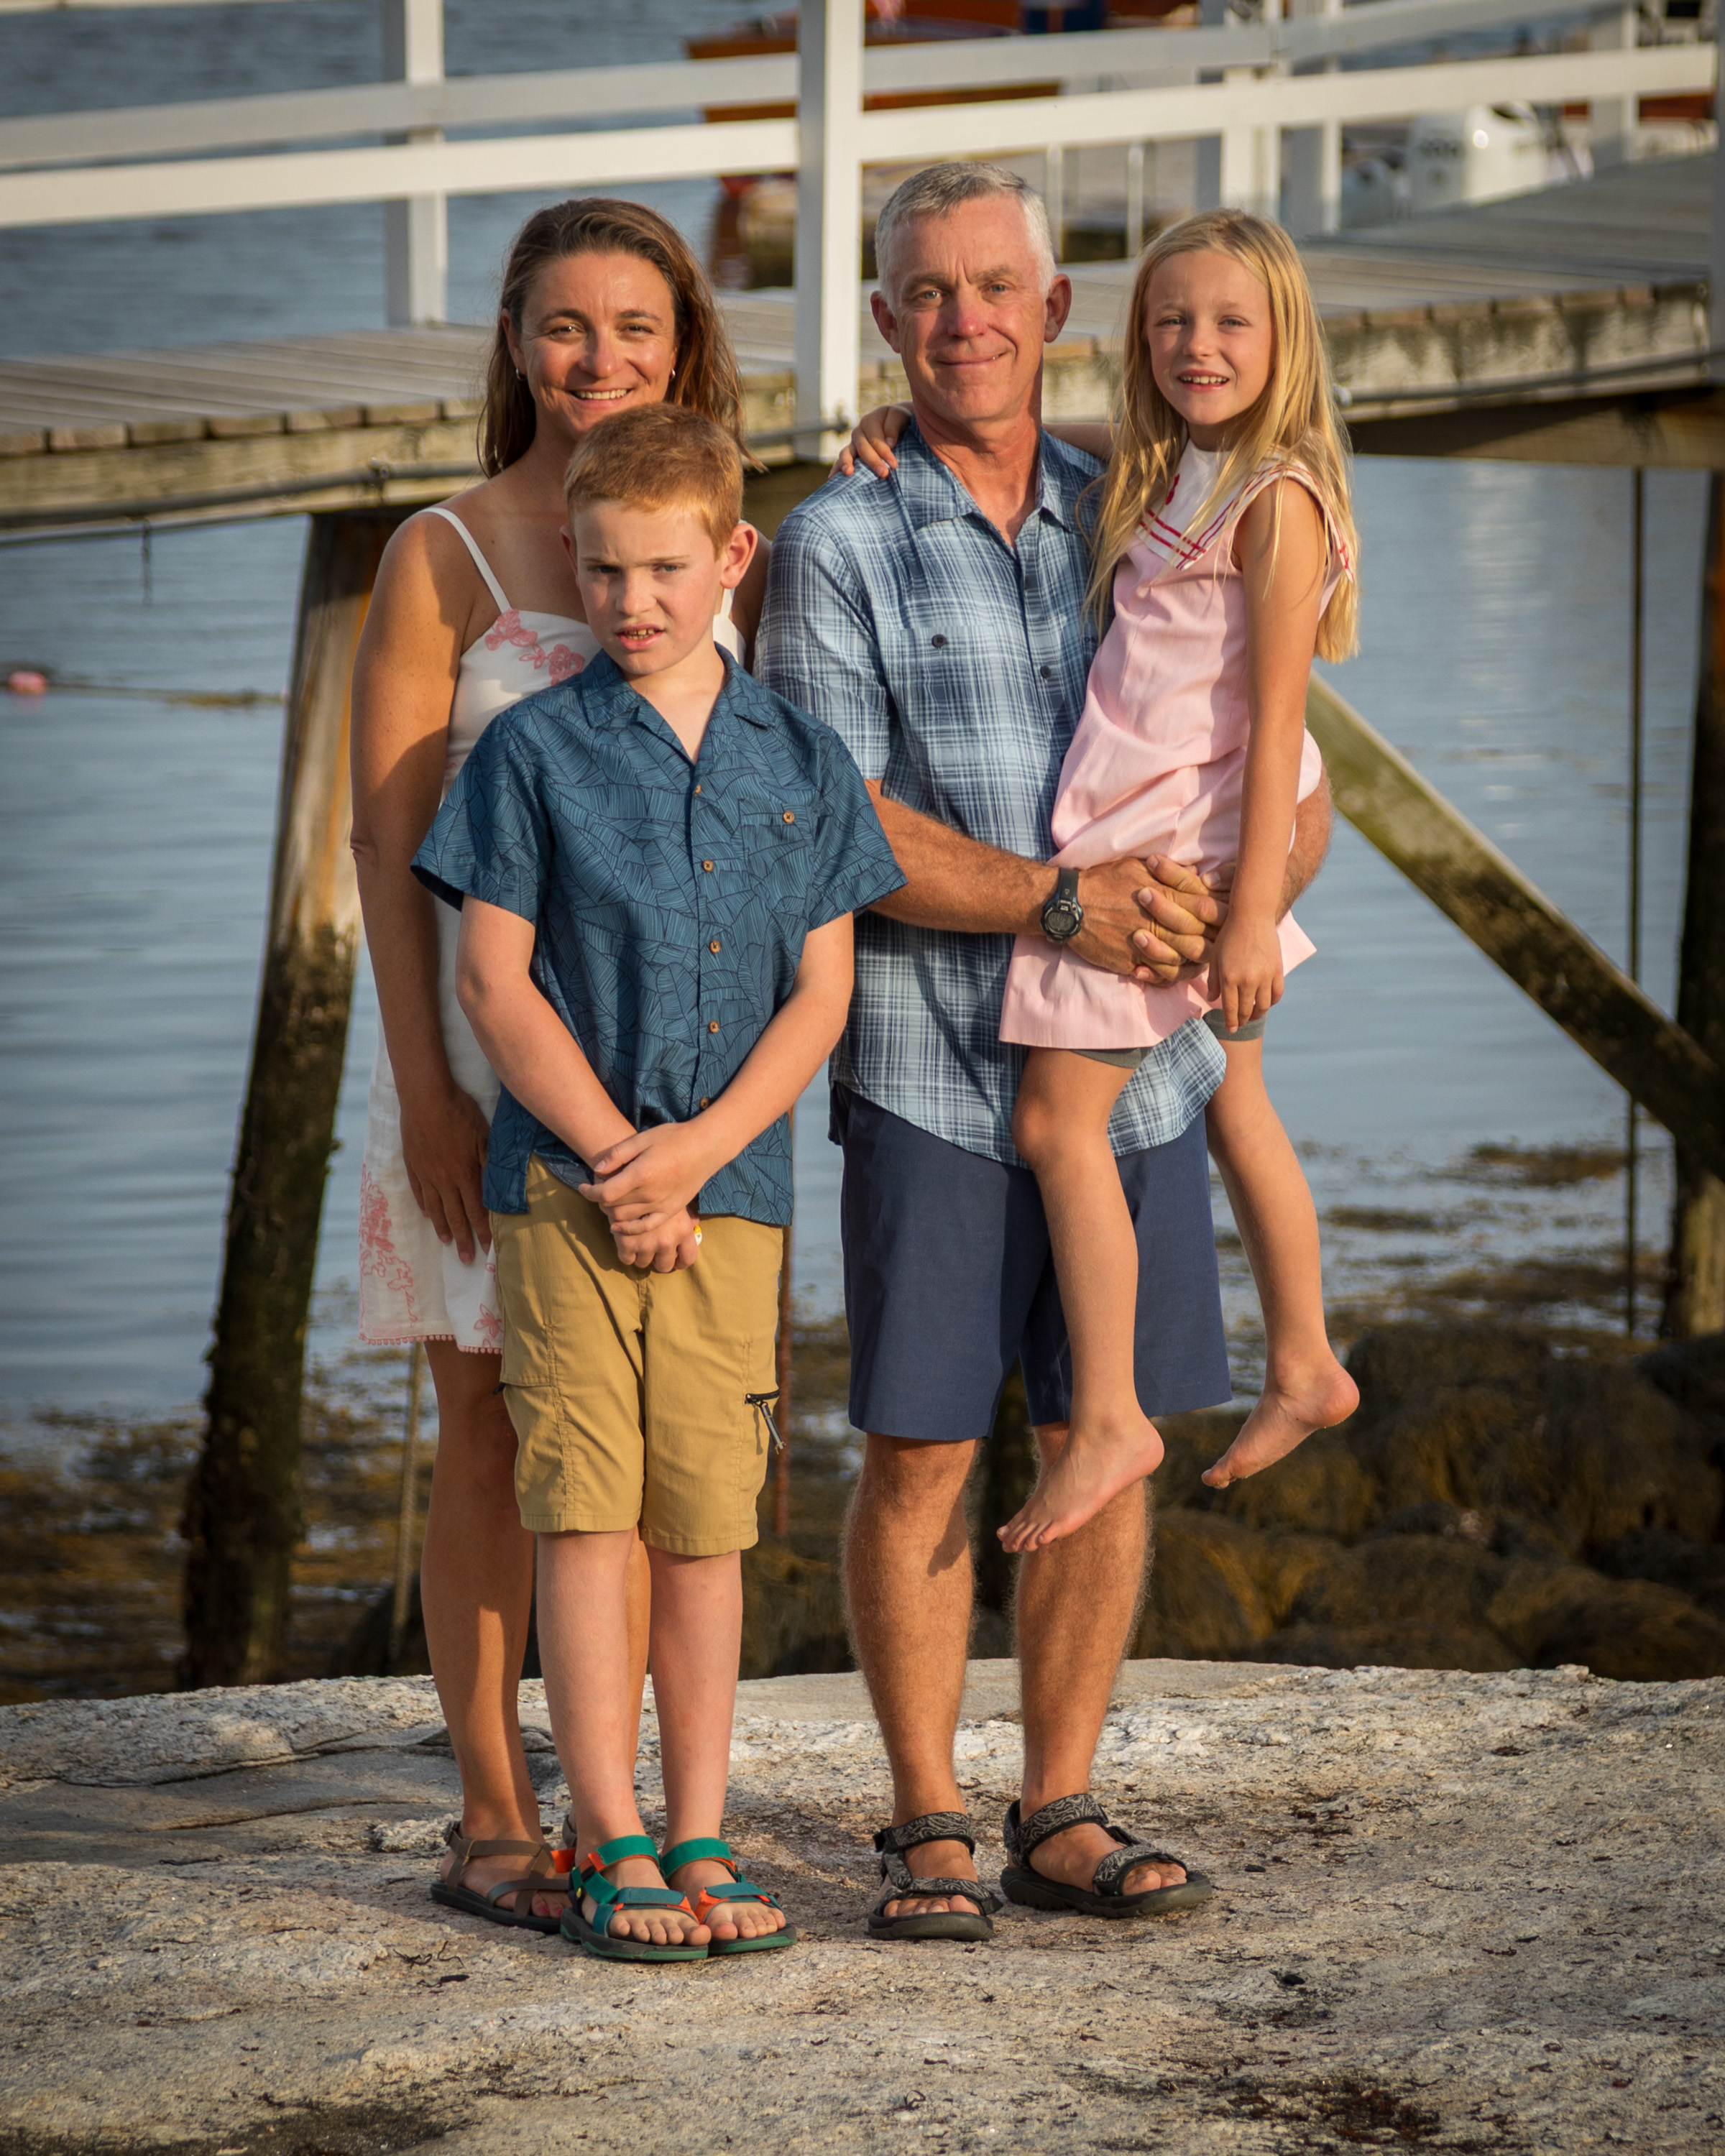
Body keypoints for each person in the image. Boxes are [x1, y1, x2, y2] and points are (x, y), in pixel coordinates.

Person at [758, 163, 1331, 1938]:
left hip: (1132, 1055)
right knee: (925, 1443)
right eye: (928, 295)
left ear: (1057, 312)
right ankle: (928, 1815)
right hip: (931, 1053)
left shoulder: (1143, 502)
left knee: (1113, 1416)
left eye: (997, 288)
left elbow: (1276, 756)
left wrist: (1248, 900)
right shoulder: (838, 541)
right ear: (885, 324)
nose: (967, 322)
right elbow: (833, 822)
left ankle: (1058, 1803)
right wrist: (1065, 903)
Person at [413, 405, 904, 1961]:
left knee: (705, 1527)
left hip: (736, 1198)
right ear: (574, 557)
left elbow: (820, 1002)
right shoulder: (531, 752)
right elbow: (495, 986)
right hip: (563, 1197)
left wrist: (694, 1156)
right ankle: (604, 1829)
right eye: (607, 571)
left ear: (733, 559)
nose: (634, 602)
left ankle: (701, 1828)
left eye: (666, 570)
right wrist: (624, 1159)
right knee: (582, 1514)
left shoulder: (805, 760)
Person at [348, 198, 765, 1935]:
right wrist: (430, 1094)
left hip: (672, 1086)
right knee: (482, 1426)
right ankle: (495, 1814)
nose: (602, 362)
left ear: (686, 346)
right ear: (515, 340)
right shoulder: (443, 553)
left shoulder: (709, 529)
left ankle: (640, 1815)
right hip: (476, 1052)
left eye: (639, 329)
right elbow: (382, 847)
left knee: (659, 1444)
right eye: (568, 327)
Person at [984, 211, 1362, 1544]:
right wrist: (891, 428)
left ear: (1284, 340)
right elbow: (1068, 444)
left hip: (1182, 858)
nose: (1198, 346)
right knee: (1233, 1104)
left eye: (1231, 323)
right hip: (1166, 833)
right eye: (1171, 321)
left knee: (1053, 1128)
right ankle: (1306, 1361)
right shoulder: (1170, 468)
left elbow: (1273, 728)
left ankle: (1109, 1419)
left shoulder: (1278, 502)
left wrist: (1256, 910)